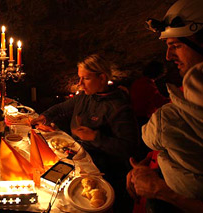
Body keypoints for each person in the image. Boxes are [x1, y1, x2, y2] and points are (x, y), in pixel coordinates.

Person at [31, 54, 139, 212]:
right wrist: (44, 117)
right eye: (79, 78)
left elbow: (129, 148)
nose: (80, 84)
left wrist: (95, 137)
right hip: (76, 155)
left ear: (102, 78)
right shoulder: (85, 96)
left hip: (101, 167)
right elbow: (62, 108)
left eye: (85, 78)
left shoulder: (119, 108)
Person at [127, 0, 203, 212]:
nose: (169, 57)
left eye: (176, 46)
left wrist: (162, 191)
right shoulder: (185, 97)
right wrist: (145, 165)